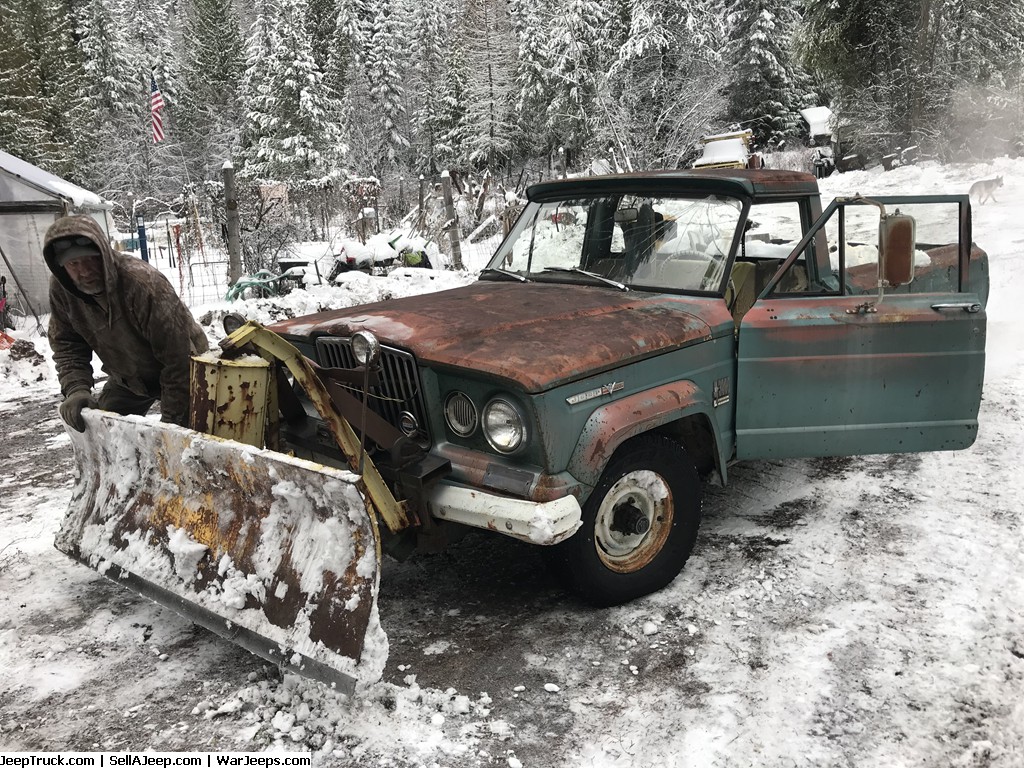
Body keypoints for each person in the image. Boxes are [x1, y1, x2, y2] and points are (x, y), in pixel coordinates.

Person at [43, 214, 209, 431]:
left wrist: (171, 426)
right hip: (129, 378)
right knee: (106, 433)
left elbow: (179, 359)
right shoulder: (62, 290)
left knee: (193, 445)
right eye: (74, 263)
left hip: (186, 372)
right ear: (61, 266)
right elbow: (67, 344)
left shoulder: (143, 284)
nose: (84, 271)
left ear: (103, 255)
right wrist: (76, 389)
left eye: (90, 260)